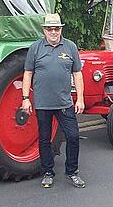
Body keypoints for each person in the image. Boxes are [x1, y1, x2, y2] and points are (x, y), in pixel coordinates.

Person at [21, 13, 86, 188]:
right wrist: (25, 98)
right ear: (44, 30)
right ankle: (48, 172)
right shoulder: (35, 48)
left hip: (64, 102)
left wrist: (80, 98)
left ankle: (72, 171)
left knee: (73, 136)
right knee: (44, 139)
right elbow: (28, 73)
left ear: (61, 29)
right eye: (50, 29)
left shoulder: (70, 47)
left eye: (56, 28)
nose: (53, 32)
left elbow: (77, 74)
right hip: (42, 103)